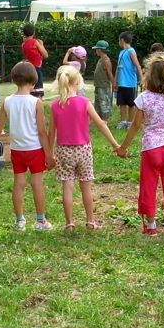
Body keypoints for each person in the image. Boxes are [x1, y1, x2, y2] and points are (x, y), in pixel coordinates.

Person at [0, 61, 55, 231]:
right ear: (33, 82)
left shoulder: (7, 101)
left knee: (18, 183)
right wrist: (49, 155)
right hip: (35, 149)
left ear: (14, 80)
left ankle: (20, 221)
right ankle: (40, 221)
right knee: (37, 183)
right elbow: (42, 131)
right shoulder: (36, 102)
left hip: (16, 150)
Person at [116, 54, 164, 235]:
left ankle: (151, 225)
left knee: (148, 186)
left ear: (150, 75)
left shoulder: (144, 98)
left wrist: (123, 147)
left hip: (150, 149)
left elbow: (135, 125)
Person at [50, 65, 120, 230]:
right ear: (77, 83)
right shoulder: (85, 102)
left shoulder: (55, 105)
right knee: (86, 187)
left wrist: (49, 153)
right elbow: (101, 124)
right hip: (83, 150)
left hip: (64, 150)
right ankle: (90, 221)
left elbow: (51, 132)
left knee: (67, 186)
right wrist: (115, 144)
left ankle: (69, 222)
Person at [115, 31, 142, 129]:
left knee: (131, 104)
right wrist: (115, 81)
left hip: (130, 83)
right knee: (122, 103)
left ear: (122, 40)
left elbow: (137, 65)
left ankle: (130, 122)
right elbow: (118, 68)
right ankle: (123, 121)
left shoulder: (131, 51)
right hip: (121, 83)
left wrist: (142, 79)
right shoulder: (121, 52)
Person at [21, 23, 49, 98]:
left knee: (31, 92)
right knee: (38, 93)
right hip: (36, 69)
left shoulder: (23, 44)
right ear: (33, 32)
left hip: (28, 69)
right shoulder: (35, 42)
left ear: (24, 33)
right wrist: (41, 45)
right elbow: (45, 55)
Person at [92, 40, 115, 122]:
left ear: (100, 50)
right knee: (98, 103)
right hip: (98, 85)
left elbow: (110, 73)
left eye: (96, 49)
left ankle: (105, 120)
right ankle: (99, 119)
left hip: (104, 86)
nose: (96, 51)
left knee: (104, 103)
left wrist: (114, 84)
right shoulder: (100, 59)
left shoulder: (106, 60)